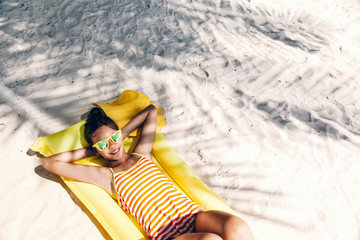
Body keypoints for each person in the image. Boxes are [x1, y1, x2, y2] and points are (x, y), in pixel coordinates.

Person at [42, 104, 255, 240]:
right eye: (103, 145)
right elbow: (50, 163)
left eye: (114, 138)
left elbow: (150, 111)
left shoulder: (142, 153)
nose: (112, 146)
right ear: (96, 150)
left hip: (195, 216)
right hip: (168, 235)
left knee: (236, 225)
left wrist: (121, 134)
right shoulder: (106, 177)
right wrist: (91, 150)